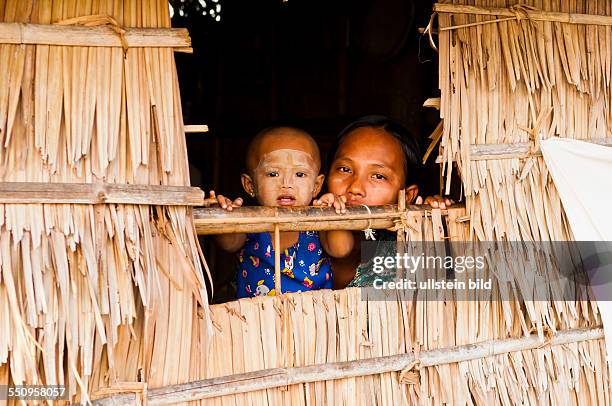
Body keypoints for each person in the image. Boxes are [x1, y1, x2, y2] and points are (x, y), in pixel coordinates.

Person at [211, 126, 352, 298]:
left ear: (317, 186)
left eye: (300, 174)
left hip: (313, 320)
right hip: (257, 321)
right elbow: (228, 243)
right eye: (273, 174)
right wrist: (224, 213)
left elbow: (341, 249)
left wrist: (333, 212)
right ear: (249, 185)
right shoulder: (249, 222)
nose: (286, 183)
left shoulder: (317, 222)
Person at [316, 115, 452, 288]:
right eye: (345, 169)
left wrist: (433, 223)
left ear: (408, 195)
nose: (355, 188)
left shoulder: (407, 251)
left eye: (378, 176)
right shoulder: (299, 240)